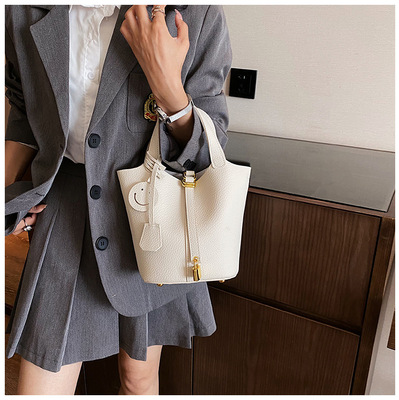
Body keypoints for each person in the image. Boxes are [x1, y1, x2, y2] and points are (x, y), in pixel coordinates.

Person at [4, 4, 232, 395]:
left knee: (137, 378)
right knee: (38, 384)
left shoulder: (194, 12)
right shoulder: (21, 9)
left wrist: (168, 88)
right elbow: (25, 110)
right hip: (65, 211)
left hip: (154, 215)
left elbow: (208, 152)